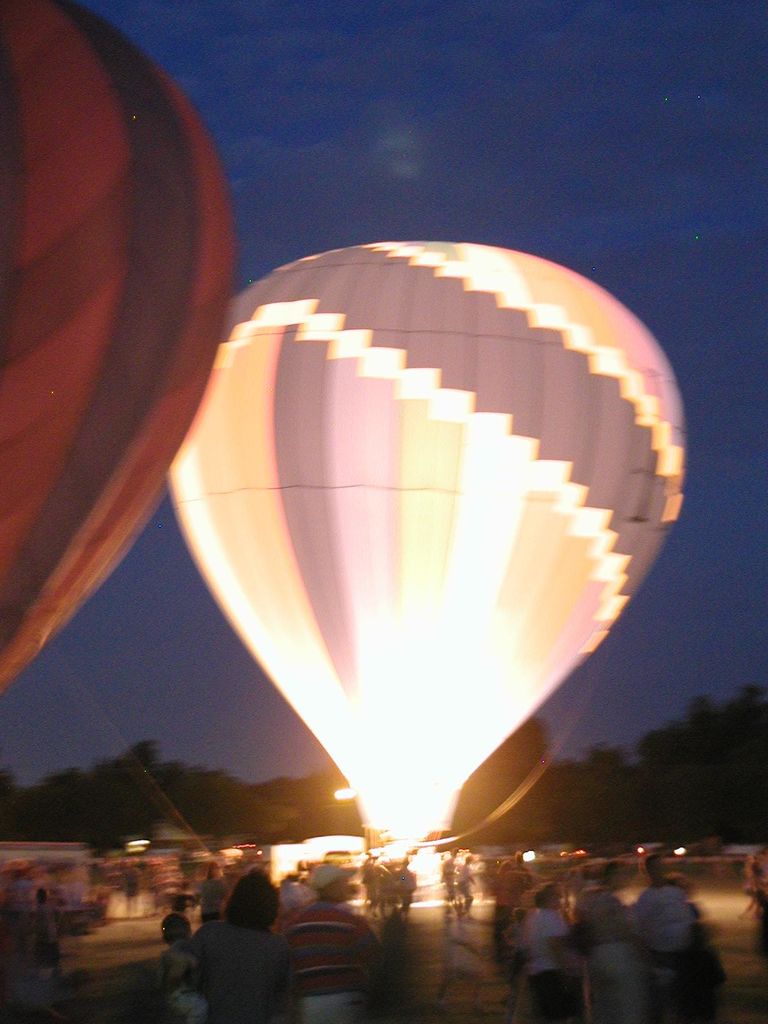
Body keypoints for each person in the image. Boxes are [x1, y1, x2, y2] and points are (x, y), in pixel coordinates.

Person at [283, 863, 379, 1023]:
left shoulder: (296, 922)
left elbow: (288, 963)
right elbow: (372, 952)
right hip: (347, 997)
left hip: (309, 1002)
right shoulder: (350, 919)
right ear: (331, 887)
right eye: (343, 882)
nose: (347, 886)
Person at [190, 869, 290, 1024]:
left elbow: (188, 980)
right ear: (271, 906)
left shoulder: (209, 933)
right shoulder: (278, 945)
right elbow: (283, 994)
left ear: (234, 900)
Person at [574, 860, 649, 1024]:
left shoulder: (589, 897)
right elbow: (629, 932)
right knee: (628, 1007)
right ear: (612, 876)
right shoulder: (614, 901)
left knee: (604, 1007)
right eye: (622, 874)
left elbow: (579, 921)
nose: (627, 879)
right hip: (618, 955)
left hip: (596, 956)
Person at [633, 853, 696, 1023]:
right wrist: (650, 960)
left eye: (661, 865)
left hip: (683, 954)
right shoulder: (645, 898)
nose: (660, 870)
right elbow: (639, 931)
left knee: (682, 1002)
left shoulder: (676, 892)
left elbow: (688, 919)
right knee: (662, 1002)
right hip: (661, 955)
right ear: (647, 871)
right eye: (655, 867)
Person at [524, 882, 581, 1024]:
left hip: (539, 971)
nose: (560, 900)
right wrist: (566, 970)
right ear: (548, 900)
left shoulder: (536, 917)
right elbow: (555, 946)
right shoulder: (550, 917)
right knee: (559, 1016)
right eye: (557, 897)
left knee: (547, 1016)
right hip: (552, 972)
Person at [436, 902, 489, 1014]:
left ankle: (443, 1002)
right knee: (473, 977)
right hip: (458, 958)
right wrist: (477, 952)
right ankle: (476, 1003)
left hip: (457, 958)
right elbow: (463, 942)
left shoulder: (455, 923)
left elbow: (464, 940)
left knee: (452, 979)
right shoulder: (454, 924)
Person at [161, 911, 207, 1024]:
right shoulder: (177, 950)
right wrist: (190, 961)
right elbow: (177, 964)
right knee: (199, 1009)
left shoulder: (174, 949)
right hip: (182, 994)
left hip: (180, 994)